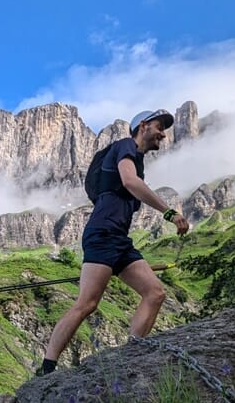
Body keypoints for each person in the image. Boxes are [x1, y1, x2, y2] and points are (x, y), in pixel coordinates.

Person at [39, 109, 190, 375]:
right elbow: (130, 182)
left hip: (119, 240)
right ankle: (47, 367)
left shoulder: (136, 159)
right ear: (142, 126)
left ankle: (131, 356)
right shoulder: (125, 147)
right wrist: (170, 213)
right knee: (87, 303)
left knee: (155, 293)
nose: (163, 134)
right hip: (103, 233)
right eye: (159, 127)